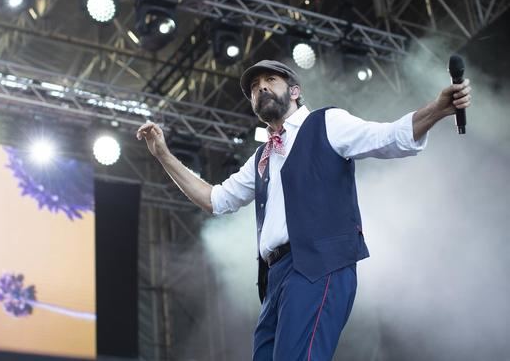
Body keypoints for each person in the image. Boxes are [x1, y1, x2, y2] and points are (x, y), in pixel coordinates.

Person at [136, 60, 472, 361]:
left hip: (319, 262)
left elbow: (386, 137)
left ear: (295, 91)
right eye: (254, 87)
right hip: (276, 277)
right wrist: (163, 155)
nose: (261, 88)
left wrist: (437, 110)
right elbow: (214, 199)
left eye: (270, 80)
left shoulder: (326, 122)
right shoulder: (261, 159)